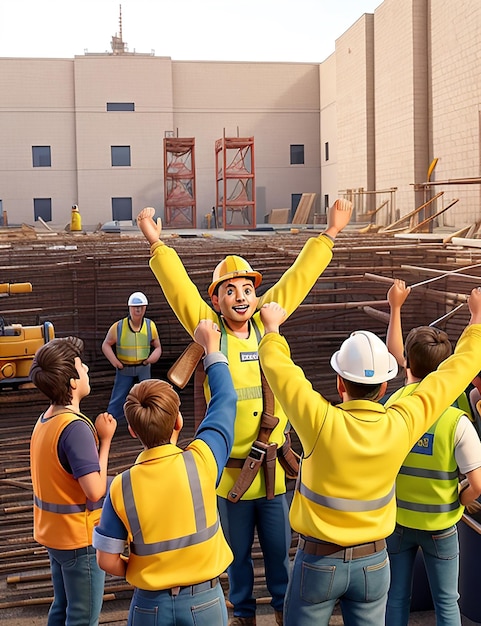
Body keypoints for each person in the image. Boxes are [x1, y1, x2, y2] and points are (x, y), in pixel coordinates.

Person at [136, 199, 353, 626]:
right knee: (234, 559)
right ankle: (243, 615)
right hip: (230, 476)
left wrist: (330, 234)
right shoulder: (209, 330)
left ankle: (282, 612)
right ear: (215, 300)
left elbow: (298, 280)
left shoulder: (267, 325)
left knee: (280, 554)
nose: (241, 297)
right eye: (230, 290)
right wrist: (156, 244)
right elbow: (179, 288)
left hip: (272, 473)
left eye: (248, 290)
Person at [256, 288, 481, 626]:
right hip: (374, 562)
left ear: (339, 383)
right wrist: (476, 321)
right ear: (383, 388)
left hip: (320, 562)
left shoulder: (318, 421)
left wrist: (272, 330)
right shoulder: (402, 421)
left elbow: (280, 372)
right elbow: (456, 372)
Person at [93, 319, 237, 626]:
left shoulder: (121, 486)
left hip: (149, 606)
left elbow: (106, 560)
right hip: (204, 602)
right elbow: (226, 402)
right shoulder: (202, 460)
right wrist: (212, 348)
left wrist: (142, 572)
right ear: (178, 423)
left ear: (131, 430)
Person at [383, 279, 481, 625]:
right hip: (441, 525)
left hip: (397, 521)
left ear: (407, 362)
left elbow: (395, 354)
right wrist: (476, 318)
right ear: (447, 367)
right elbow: (477, 484)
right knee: (447, 601)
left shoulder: (391, 406)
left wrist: (395, 307)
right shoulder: (456, 415)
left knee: (395, 596)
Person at [29, 336, 117, 626]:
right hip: (79, 540)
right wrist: (105, 441)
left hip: (54, 535)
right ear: (72, 382)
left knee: (62, 606)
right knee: (82, 617)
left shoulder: (46, 420)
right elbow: (95, 489)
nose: (88, 370)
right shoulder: (75, 428)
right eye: (82, 367)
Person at [102, 291, 162, 422]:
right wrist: (115, 362)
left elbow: (157, 347)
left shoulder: (150, 326)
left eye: (141, 306)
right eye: (135, 307)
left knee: (146, 395)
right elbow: (106, 345)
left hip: (143, 367)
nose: (138, 310)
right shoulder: (118, 327)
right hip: (124, 368)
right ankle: (109, 422)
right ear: (129, 308)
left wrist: (152, 358)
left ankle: (148, 421)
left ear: (145, 308)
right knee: (118, 396)